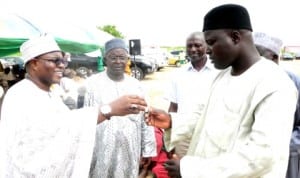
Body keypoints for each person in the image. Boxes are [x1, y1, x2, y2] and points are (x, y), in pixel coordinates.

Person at [145, 4, 298, 178]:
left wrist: (189, 170)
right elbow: (202, 116)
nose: (207, 50)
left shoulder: (274, 83)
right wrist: (172, 121)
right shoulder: (222, 76)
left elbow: (262, 156)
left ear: (235, 37)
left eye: (211, 42)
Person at [0, 34, 148, 177]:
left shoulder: (49, 93)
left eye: (63, 60)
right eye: (55, 60)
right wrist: (109, 110)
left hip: (128, 152)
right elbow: (57, 129)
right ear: (34, 63)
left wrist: (146, 150)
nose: (62, 65)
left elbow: (66, 122)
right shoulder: (22, 96)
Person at [84, 38, 157, 178]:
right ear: (105, 60)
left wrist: (148, 150)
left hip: (129, 150)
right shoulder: (91, 85)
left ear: (127, 59)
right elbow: (85, 119)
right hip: (100, 150)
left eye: (122, 57)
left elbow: (146, 120)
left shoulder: (137, 86)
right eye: (113, 57)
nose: (118, 61)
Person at [253, 32, 300, 178]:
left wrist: (288, 144)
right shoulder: (249, 80)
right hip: (253, 156)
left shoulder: (292, 80)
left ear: (274, 58)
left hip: (287, 152)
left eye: (259, 56)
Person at [166, 31, 219, 158]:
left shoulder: (219, 72)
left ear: (206, 47)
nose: (193, 49)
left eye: (197, 45)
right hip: (183, 136)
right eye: (189, 46)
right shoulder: (178, 75)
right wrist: (170, 136)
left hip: (211, 134)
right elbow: (173, 107)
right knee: (183, 170)